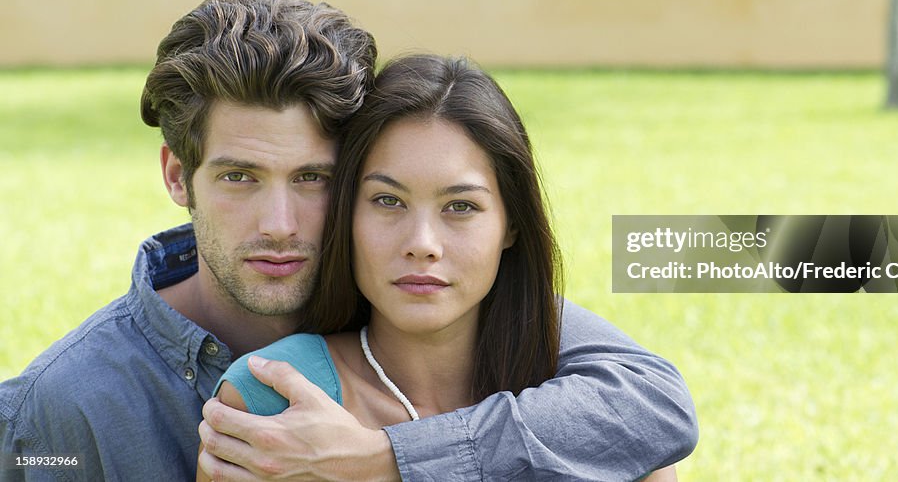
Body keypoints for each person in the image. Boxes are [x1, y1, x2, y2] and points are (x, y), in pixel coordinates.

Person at [0, 0, 697, 481]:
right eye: (240, 177)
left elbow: (650, 406)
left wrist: (385, 460)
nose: (281, 226)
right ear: (178, 177)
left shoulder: (417, 296)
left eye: (314, 179)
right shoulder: (66, 406)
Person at [200, 54, 677, 481]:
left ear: (511, 226)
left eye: (461, 207)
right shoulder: (275, 399)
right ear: (347, 214)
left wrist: (388, 461)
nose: (422, 245)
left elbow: (662, 408)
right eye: (388, 201)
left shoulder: (594, 420)